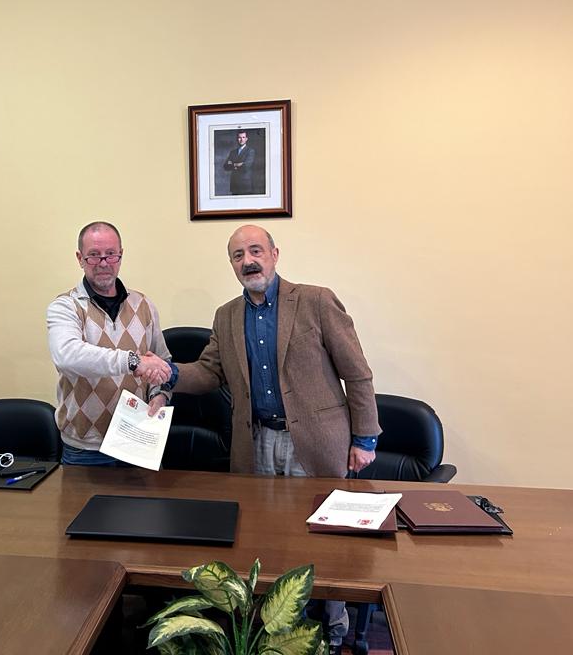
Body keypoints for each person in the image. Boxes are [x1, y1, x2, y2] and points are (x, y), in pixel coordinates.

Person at [160, 224, 380, 653]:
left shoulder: (316, 300)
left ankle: (333, 630)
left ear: (275, 254)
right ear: (232, 264)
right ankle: (271, 633)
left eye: (256, 250)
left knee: (324, 534)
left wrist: (365, 439)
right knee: (264, 535)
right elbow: (208, 373)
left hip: (314, 441)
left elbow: (357, 373)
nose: (248, 261)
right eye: (238, 255)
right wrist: (168, 373)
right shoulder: (226, 316)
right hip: (256, 439)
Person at [47, 221, 172, 466]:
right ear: (80, 258)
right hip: (85, 448)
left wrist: (161, 395)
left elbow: (162, 360)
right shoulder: (65, 306)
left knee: (145, 496)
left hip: (137, 438)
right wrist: (133, 361)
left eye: (111, 254)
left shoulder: (143, 305)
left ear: (121, 255)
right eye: (94, 255)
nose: (104, 263)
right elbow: (67, 355)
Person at [222, 130, 256, 195]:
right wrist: (238, 164)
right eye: (239, 137)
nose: (241, 139)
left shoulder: (250, 151)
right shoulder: (233, 152)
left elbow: (246, 166)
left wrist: (232, 164)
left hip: (245, 185)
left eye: (243, 137)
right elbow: (226, 166)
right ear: (237, 139)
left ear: (246, 139)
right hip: (234, 185)